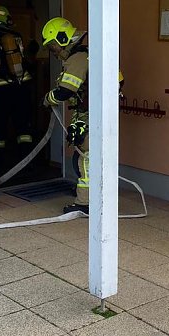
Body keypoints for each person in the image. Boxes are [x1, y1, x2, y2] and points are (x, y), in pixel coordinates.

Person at [42, 16, 124, 215]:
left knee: (86, 159)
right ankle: (91, 195)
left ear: (62, 38)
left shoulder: (78, 58)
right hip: (94, 112)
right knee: (85, 155)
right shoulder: (89, 54)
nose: (54, 52)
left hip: (92, 114)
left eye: (53, 46)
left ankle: (86, 203)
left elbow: (65, 91)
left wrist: (48, 98)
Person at [0, 4, 37, 158]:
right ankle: (27, 161)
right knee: (23, 126)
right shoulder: (16, 36)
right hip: (21, 86)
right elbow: (24, 59)